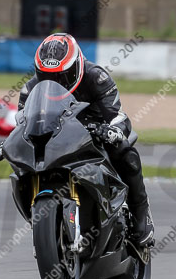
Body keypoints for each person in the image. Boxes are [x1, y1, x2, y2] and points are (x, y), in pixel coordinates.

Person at [18, 33, 154, 247]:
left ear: (76, 66)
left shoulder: (96, 77)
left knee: (125, 152)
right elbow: (22, 124)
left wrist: (111, 131)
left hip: (95, 133)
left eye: (61, 76)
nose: (55, 82)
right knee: (20, 166)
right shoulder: (30, 88)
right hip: (56, 137)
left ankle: (141, 213)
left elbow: (119, 117)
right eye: (47, 76)